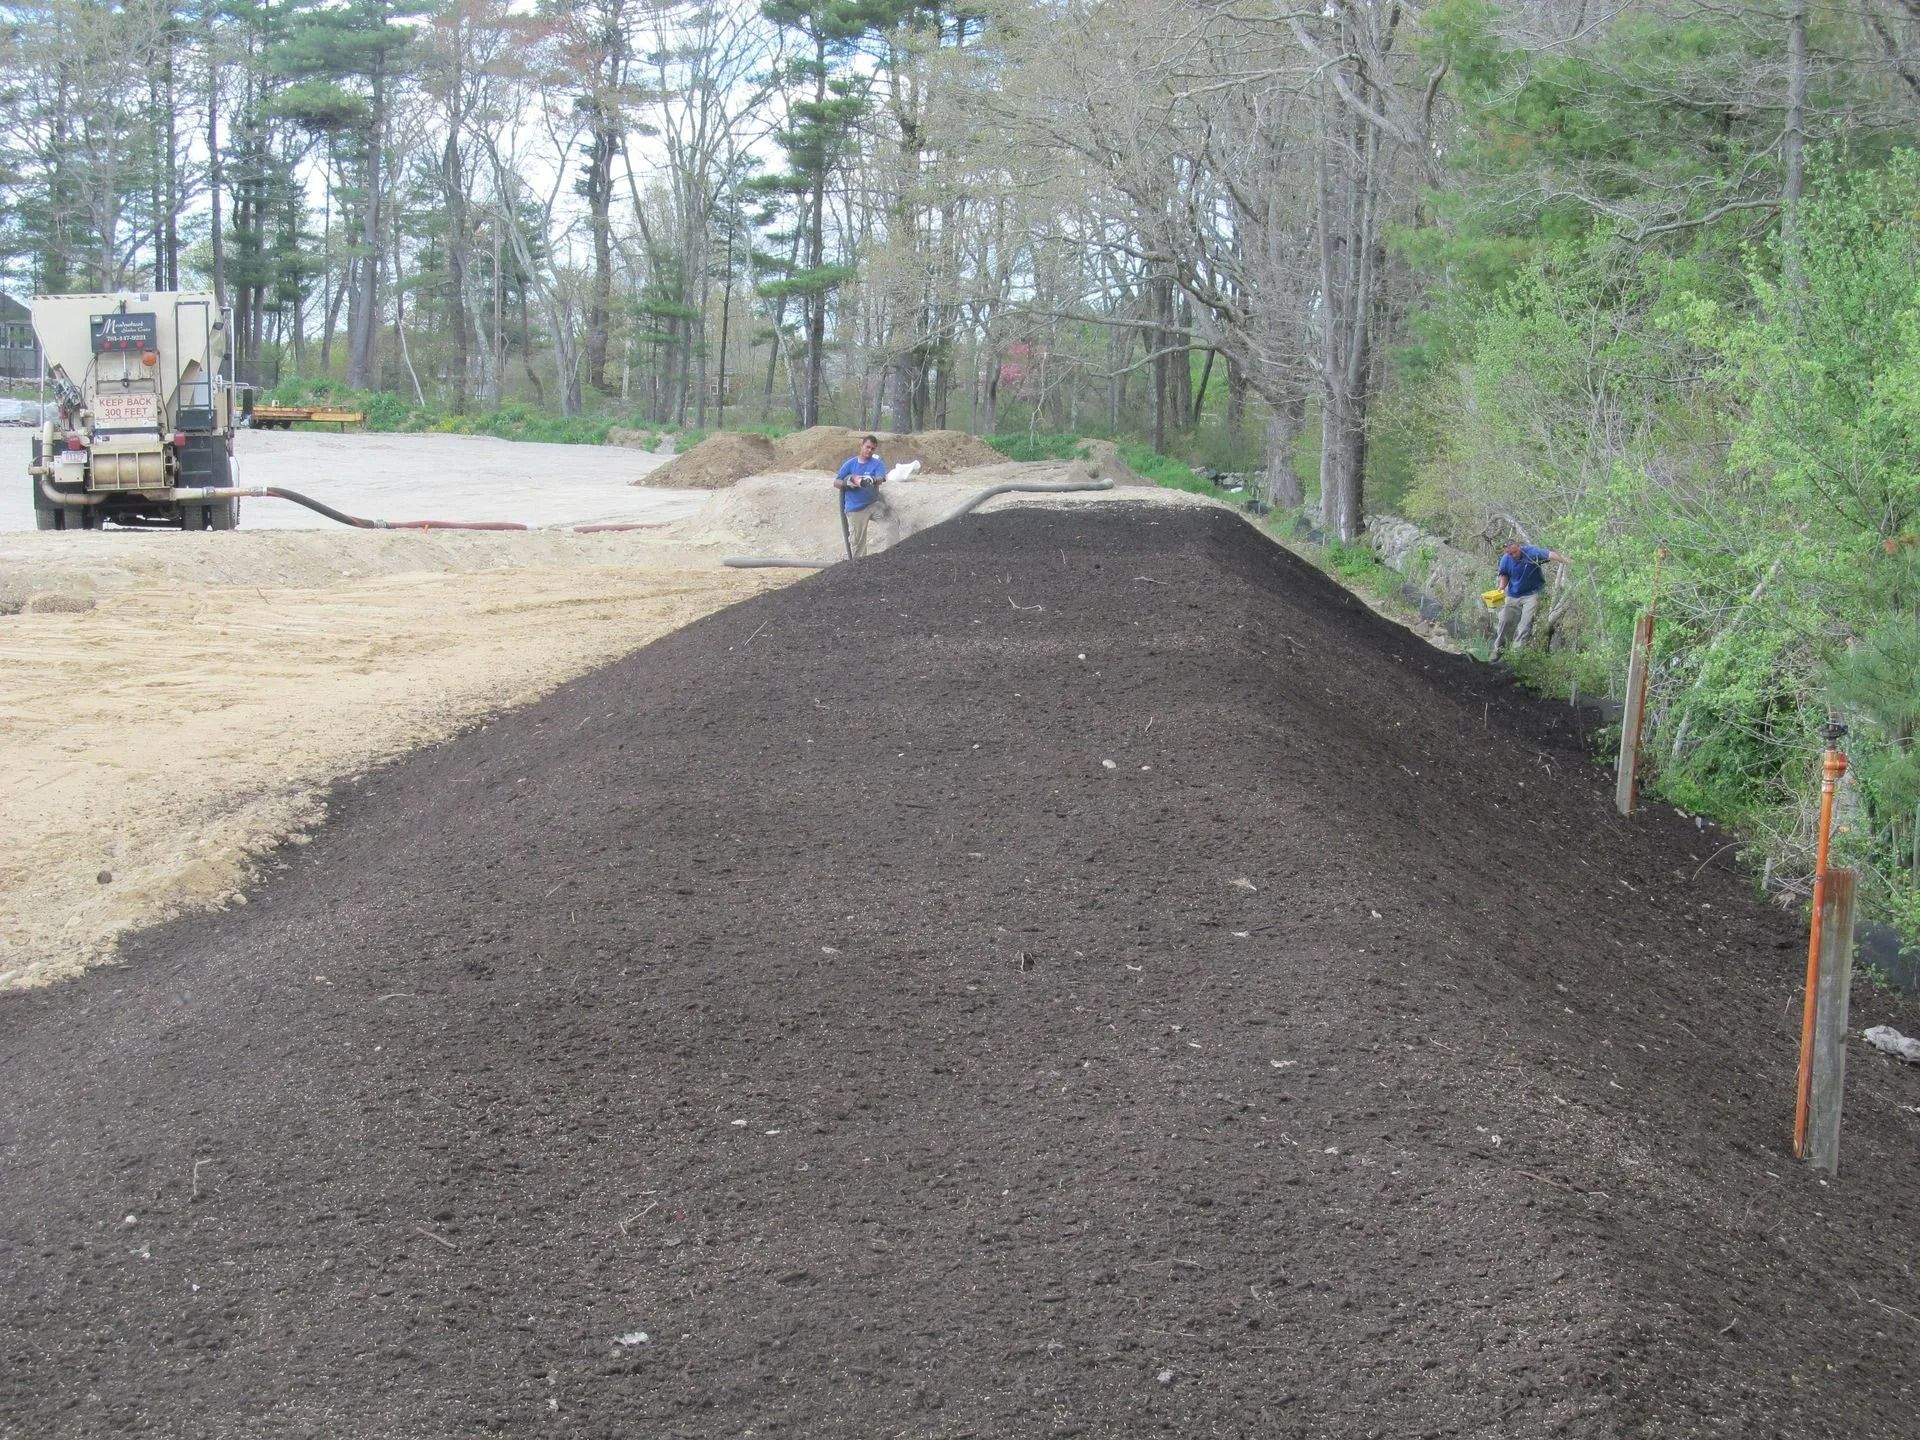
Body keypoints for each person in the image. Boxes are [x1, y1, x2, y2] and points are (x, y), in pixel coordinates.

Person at [1488, 539, 1569, 661]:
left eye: (1515, 552)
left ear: (1519, 547)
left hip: (1531, 594)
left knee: (1525, 625)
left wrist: (1566, 560)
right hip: (1513, 594)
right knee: (1505, 620)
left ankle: (1515, 656)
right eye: (1510, 554)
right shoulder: (1505, 559)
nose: (1513, 555)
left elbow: (1549, 554)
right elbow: (1505, 574)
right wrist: (1501, 588)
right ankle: (1498, 650)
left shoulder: (1531, 552)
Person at [834, 434, 889, 559]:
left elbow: (881, 478)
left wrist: (873, 480)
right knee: (858, 544)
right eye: (867, 447)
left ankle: (894, 556)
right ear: (861, 446)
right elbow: (836, 482)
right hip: (855, 508)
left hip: (873, 504)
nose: (869, 450)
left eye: (872, 449)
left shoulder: (877, 464)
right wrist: (847, 483)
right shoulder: (850, 464)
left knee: (892, 523)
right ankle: (860, 566)